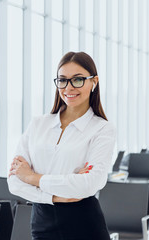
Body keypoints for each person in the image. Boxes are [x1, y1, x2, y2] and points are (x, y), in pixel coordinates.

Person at [7, 52, 116, 240]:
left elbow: (89, 184)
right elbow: (15, 182)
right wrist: (56, 197)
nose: (69, 87)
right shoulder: (38, 124)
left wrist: (32, 177)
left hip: (84, 225)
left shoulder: (102, 129)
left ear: (94, 82)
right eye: (63, 80)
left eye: (78, 80)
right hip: (41, 224)